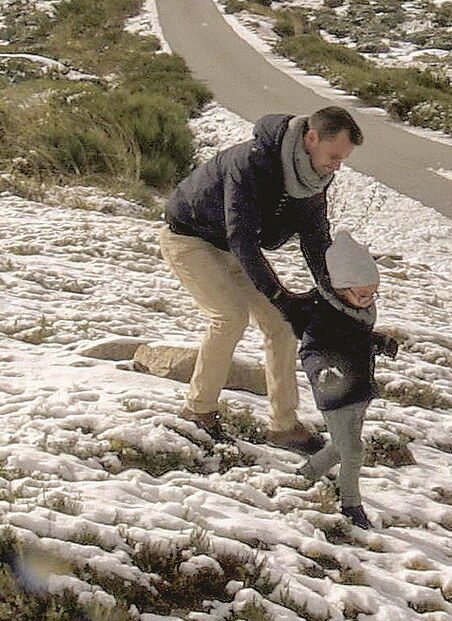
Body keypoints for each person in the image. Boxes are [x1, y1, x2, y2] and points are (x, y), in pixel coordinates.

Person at [159, 107, 363, 450]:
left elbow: (315, 239)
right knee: (230, 317)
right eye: (334, 155)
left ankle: (283, 427)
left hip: (232, 249)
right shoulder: (252, 163)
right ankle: (197, 412)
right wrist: (280, 294)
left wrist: (336, 293)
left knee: (281, 325)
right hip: (189, 238)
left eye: (342, 158)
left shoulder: (312, 177)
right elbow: (243, 238)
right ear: (311, 138)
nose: (337, 165)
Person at [295, 230, 398, 530]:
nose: (369, 300)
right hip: (335, 392)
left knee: (341, 447)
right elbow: (311, 349)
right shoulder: (324, 316)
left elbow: (356, 340)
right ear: (341, 288)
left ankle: (305, 475)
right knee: (353, 449)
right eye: (363, 294)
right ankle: (350, 504)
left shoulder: (357, 311)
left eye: (372, 293)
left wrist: (378, 342)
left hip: (358, 389)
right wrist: (321, 371)